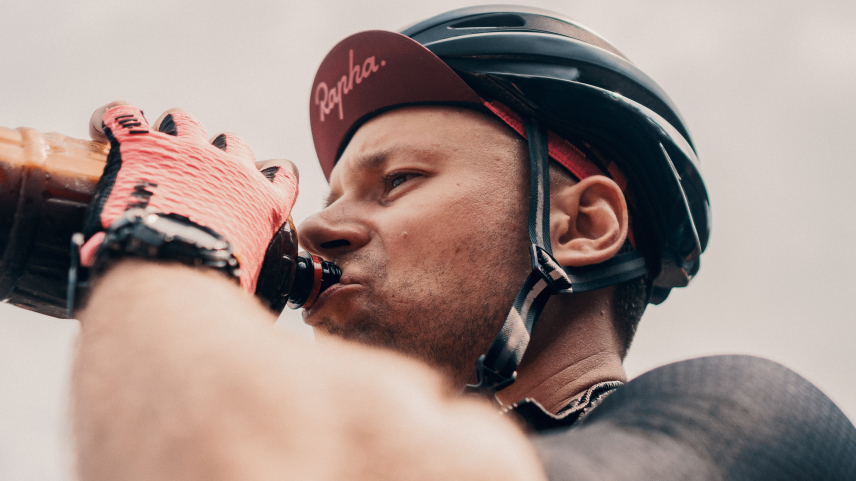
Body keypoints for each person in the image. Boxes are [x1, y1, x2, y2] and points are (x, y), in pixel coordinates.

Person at [71, 5, 856, 481]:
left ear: (582, 227)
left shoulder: (755, 424)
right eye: (336, 192)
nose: (311, 225)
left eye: (399, 180)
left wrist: (168, 248)